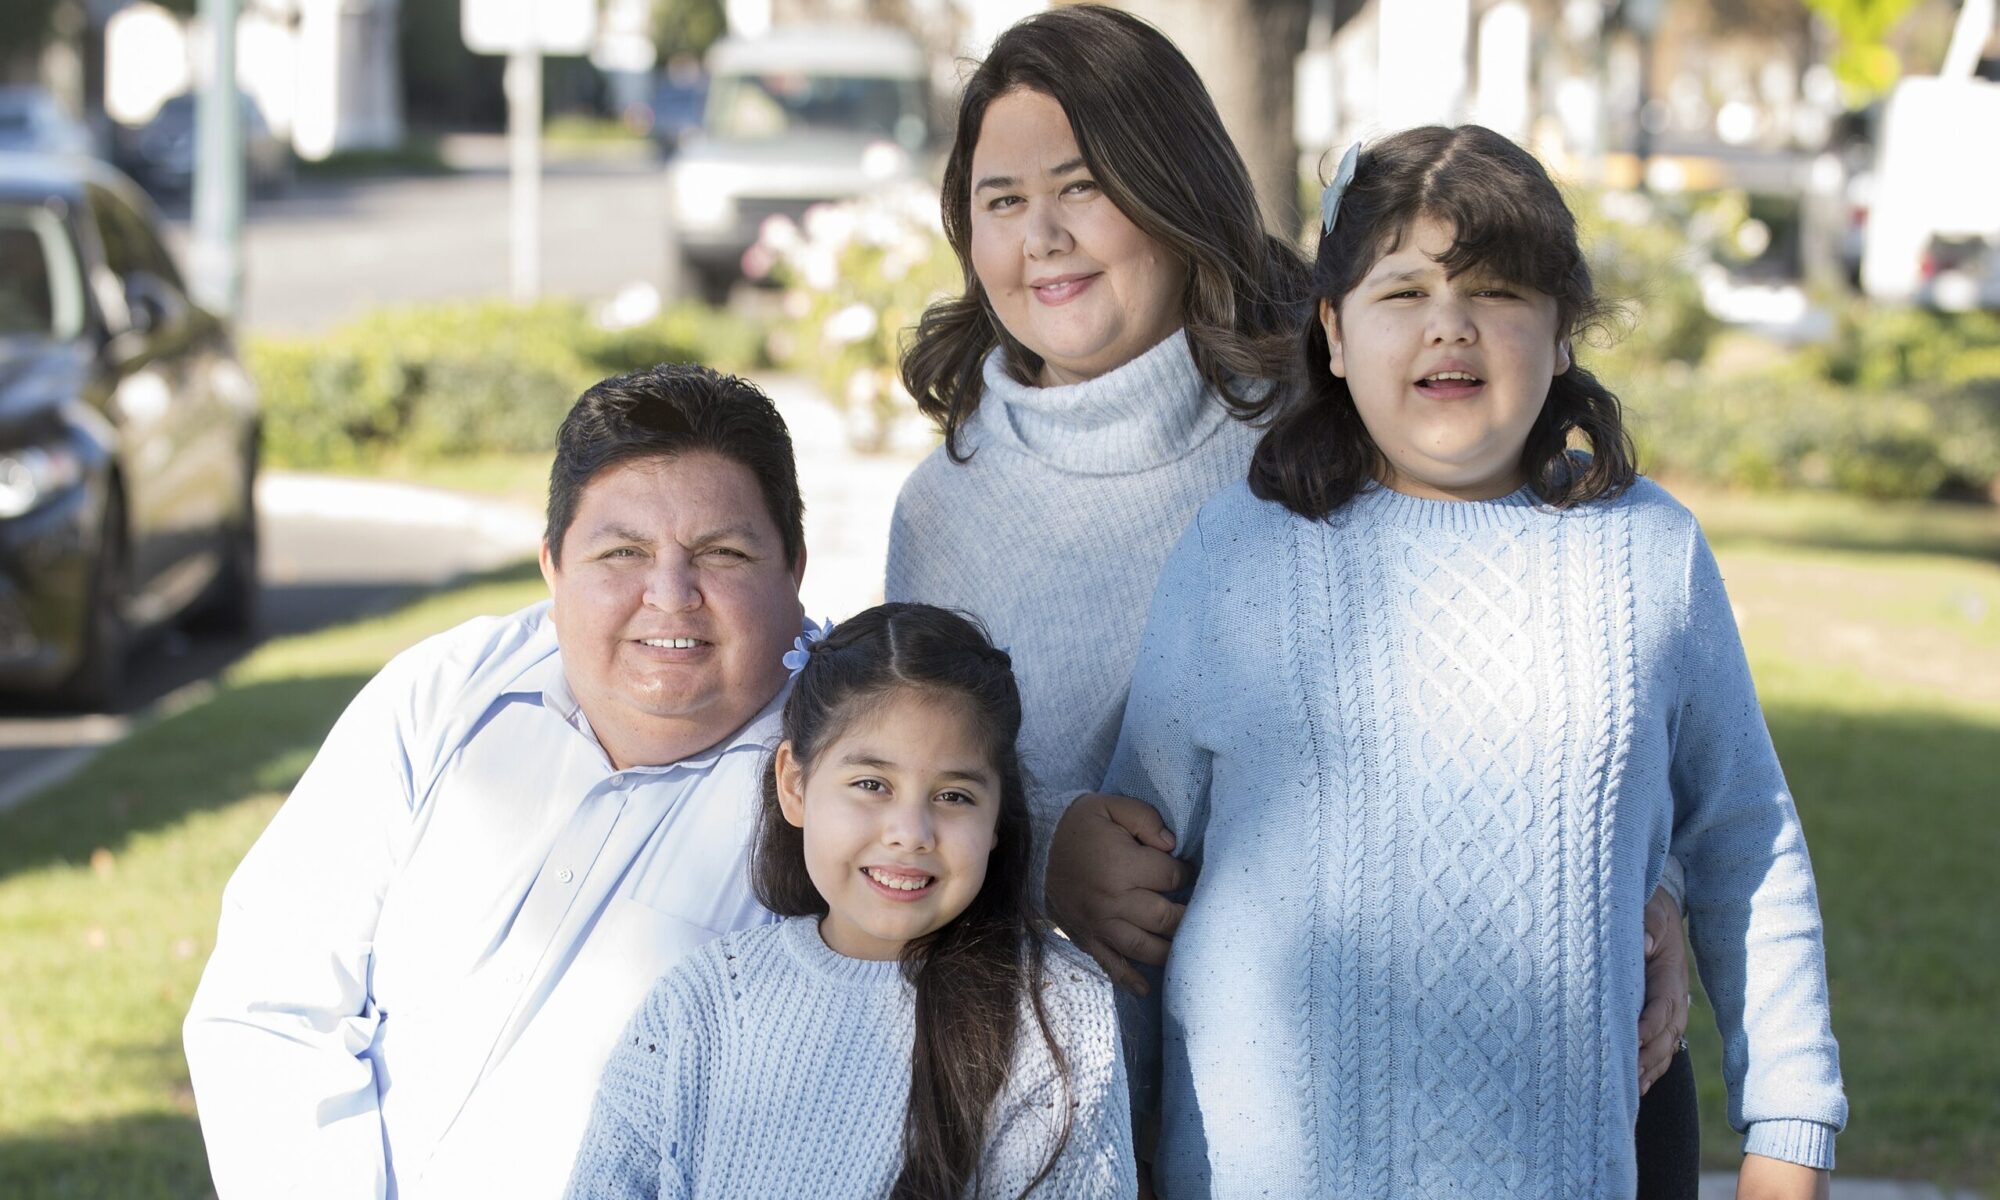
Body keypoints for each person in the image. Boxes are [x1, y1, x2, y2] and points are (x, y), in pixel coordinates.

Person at [886, 3, 1698, 1182]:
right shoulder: (945, 511)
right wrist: (1044, 855)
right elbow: (918, 797)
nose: (1043, 237)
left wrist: (1652, 890)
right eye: (1001, 200)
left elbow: (1574, 641)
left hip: (1491, 1084)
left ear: (1172, 185)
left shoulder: (1328, 423)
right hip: (1139, 1108)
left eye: (1083, 185)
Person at [1104, 124, 1848, 1197]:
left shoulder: (1648, 556)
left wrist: (1786, 1128)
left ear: (1559, 337)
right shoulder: (1236, 556)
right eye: (1401, 293)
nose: (1447, 327)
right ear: (1334, 332)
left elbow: (1744, 843)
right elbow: (1141, 874)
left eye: (1495, 292)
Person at [183, 364, 812, 1198]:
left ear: (794, 568)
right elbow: (271, 1001)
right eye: (621, 552)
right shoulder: (444, 690)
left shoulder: (856, 776)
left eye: (721, 553)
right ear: (552, 565)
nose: (670, 595)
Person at [564, 603, 1136, 1199]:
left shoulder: (1055, 1011)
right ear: (795, 785)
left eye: (954, 795)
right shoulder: (702, 1005)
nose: (910, 830)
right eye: (871, 785)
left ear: (998, 817)